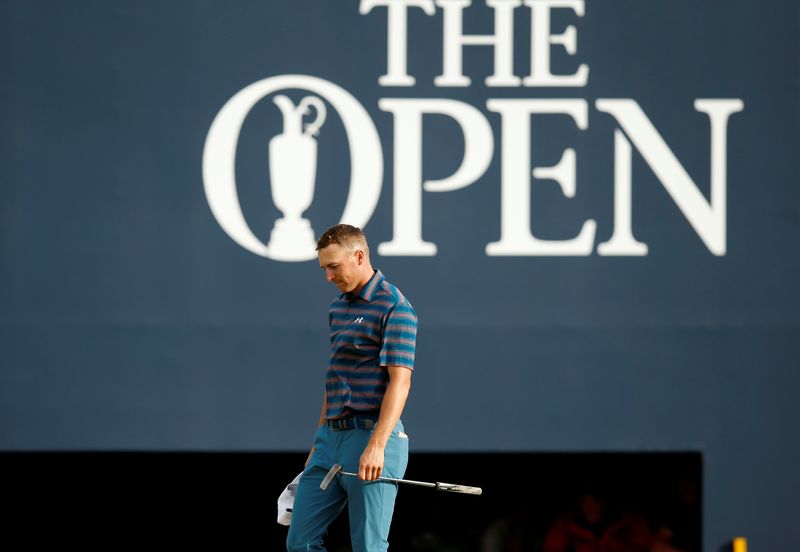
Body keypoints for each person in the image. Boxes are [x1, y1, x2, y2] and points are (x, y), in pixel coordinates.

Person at [286, 224, 418, 552]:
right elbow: (336, 377)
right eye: (324, 268)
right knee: (300, 541)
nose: (328, 277)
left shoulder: (395, 306)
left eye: (333, 266)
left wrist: (377, 445)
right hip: (330, 439)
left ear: (358, 256)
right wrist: (318, 441)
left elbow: (400, 381)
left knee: (368, 547)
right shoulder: (338, 308)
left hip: (373, 437)